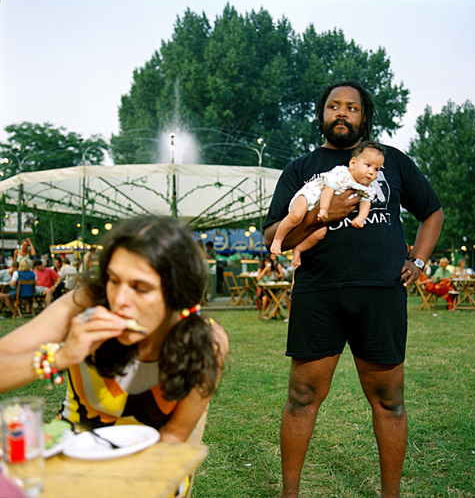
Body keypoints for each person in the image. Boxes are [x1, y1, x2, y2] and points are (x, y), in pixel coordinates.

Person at [263, 80, 444, 498]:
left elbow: (432, 212)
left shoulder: (392, 161)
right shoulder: (300, 168)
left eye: (352, 108)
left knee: (389, 400)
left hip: (380, 293)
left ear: (365, 116)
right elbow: (275, 234)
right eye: (333, 106)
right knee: (302, 396)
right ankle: (289, 495)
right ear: (321, 114)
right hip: (318, 294)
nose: (342, 113)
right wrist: (324, 217)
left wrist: (417, 261)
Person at [0, 216, 228, 498]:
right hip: (67, 456)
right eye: (113, 280)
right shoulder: (85, 304)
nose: (120, 299)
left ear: (177, 293)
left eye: (140, 287)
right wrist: (61, 355)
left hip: (150, 471)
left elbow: (174, 436)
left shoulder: (206, 341)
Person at [271, 141, 384, 267]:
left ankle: (298, 250)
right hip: (310, 196)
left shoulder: (366, 187)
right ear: (353, 163)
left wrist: (361, 218)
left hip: (323, 211)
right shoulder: (342, 173)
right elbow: (328, 190)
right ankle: (278, 239)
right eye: (367, 165)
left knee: (320, 233)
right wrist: (324, 209)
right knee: (296, 215)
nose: (371, 172)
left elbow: (366, 202)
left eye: (376, 169)